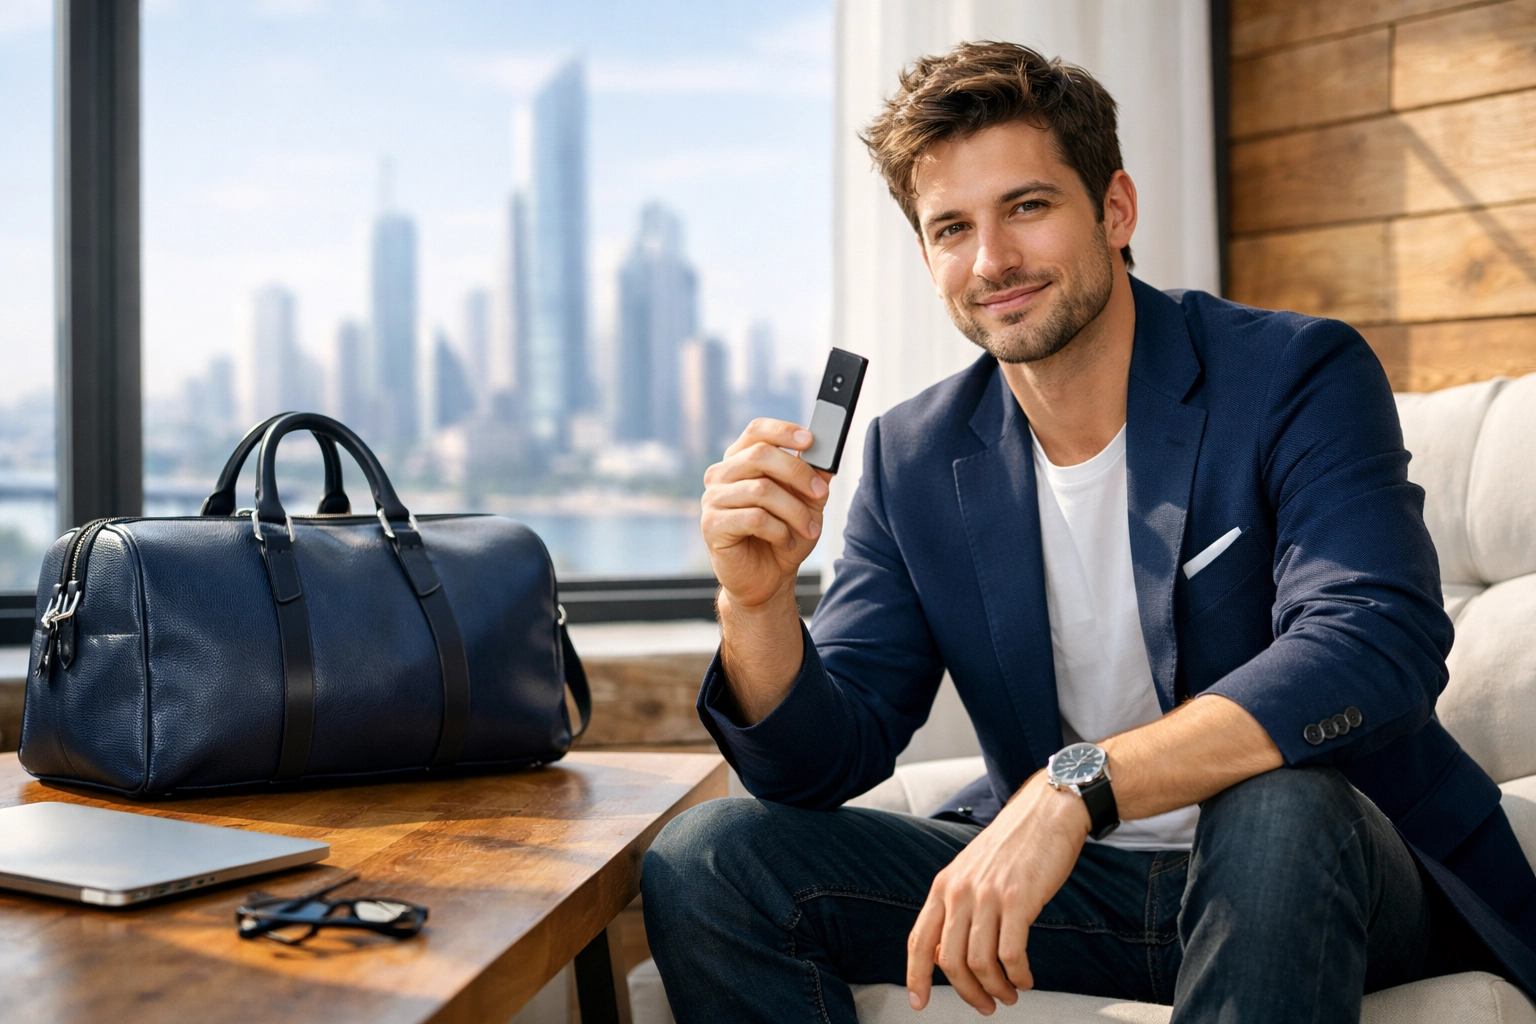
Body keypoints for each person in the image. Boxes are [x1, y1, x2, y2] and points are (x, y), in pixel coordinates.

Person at [640, 41, 1536, 1024]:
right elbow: (820, 763)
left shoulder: (1292, 375)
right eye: (952, 227)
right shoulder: (913, 457)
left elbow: (1371, 647)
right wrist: (756, 601)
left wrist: (1078, 787)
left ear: (1115, 210)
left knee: (1276, 800)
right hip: (1087, 899)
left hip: (1334, 877)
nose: (993, 261)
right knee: (711, 858)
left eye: (1027, 206)